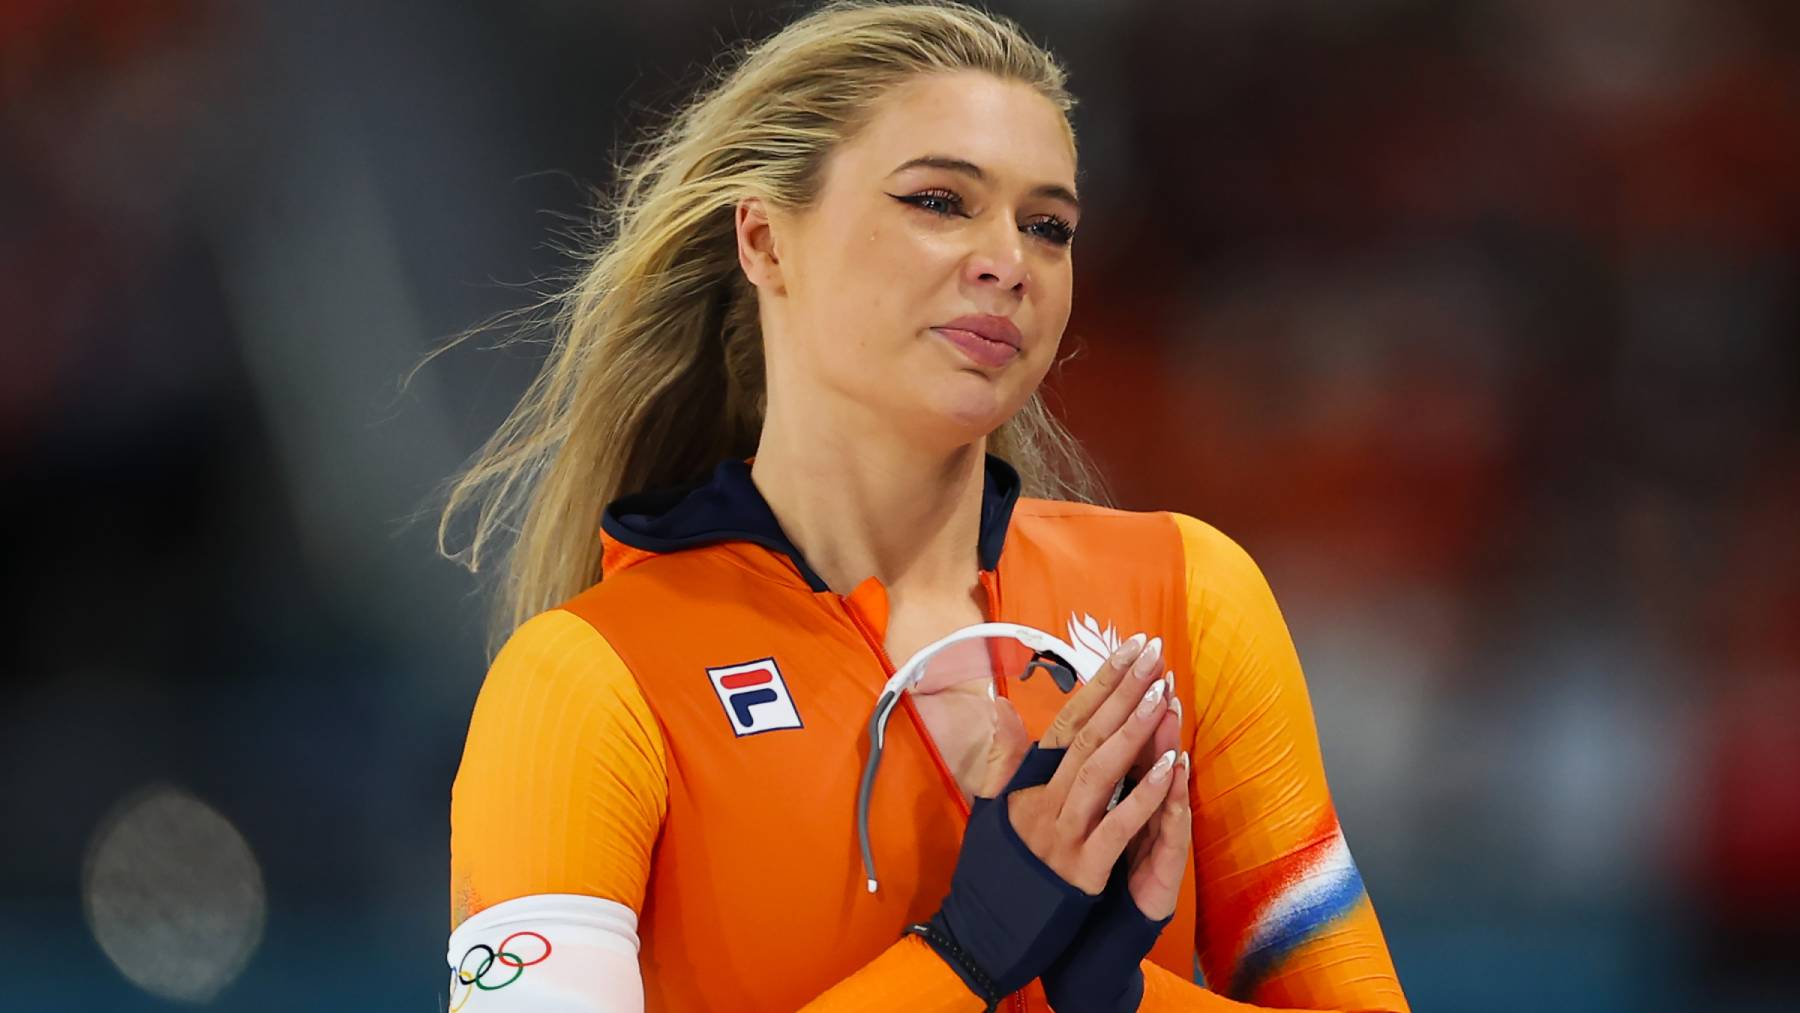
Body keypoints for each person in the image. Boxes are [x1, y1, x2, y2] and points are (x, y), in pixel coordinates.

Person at [441, 2, 1410, 1010]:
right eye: (941, 201)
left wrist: (1113, 997)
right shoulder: (587, 684)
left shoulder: (1187, 600)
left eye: (1049, 226)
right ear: (767, 241)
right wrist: (964, 957)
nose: (1010, 261)